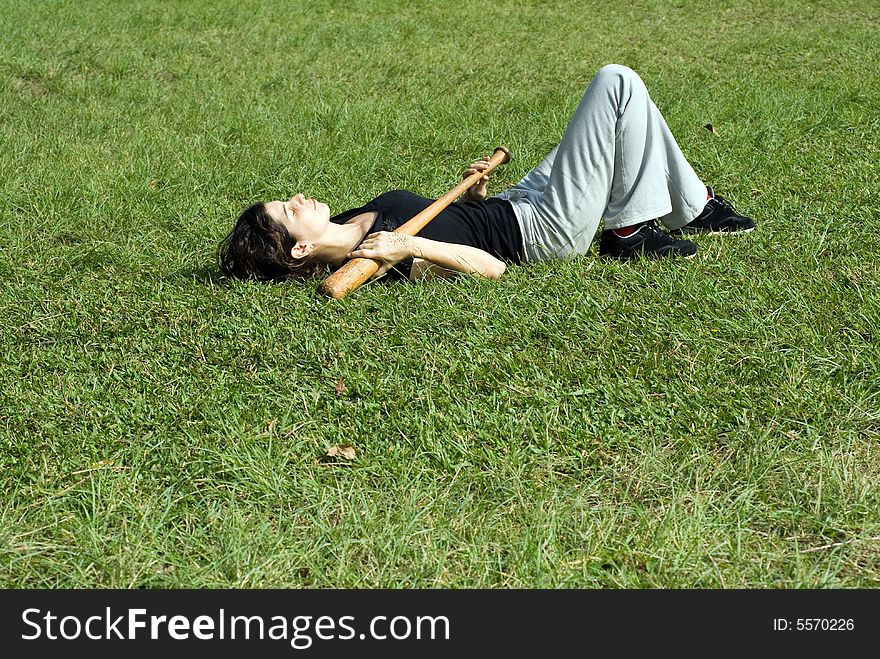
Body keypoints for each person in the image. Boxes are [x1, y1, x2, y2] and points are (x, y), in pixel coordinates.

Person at [218, 64, 755, 283]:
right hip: (544, 231)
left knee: (624, 112)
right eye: (288, 211)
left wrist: (476, 194)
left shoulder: (360, 218)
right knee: (615, 84)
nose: (300, 197)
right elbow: (490, 267)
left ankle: (694, 206)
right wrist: (413, 250)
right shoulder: (379, 260)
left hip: (519, 201)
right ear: (300, 250)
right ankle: (629, 233)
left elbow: (459, 224)